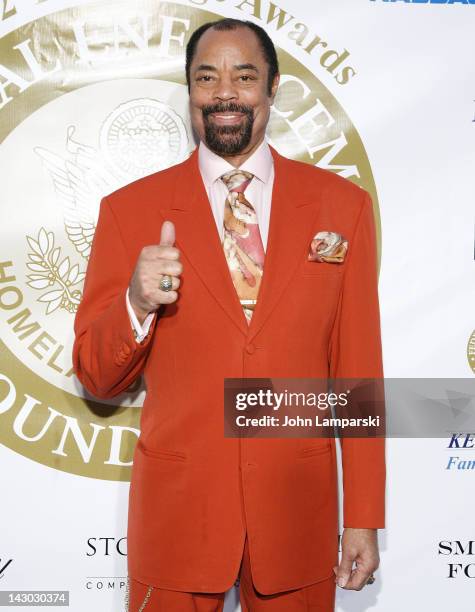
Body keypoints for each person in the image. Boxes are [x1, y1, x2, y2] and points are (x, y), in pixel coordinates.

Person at [73, 17, 385, 612]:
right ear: (189, 91)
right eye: (206, 76)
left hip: (299, 510)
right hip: (178, 513)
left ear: (272, 90)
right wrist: (137, 303)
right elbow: (95, 375)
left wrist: (364, 516)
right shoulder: (129, 210)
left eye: (244, 77)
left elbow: (357, 377)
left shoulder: (342, 206)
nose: (225, 92)